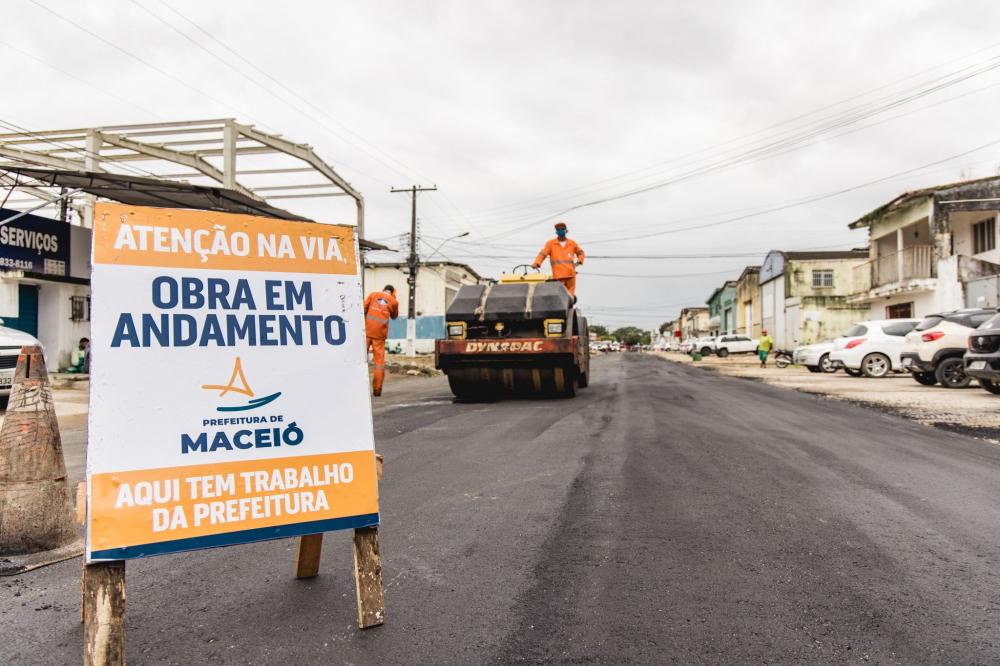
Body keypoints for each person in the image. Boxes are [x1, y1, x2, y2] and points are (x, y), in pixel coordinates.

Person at [363, 285, 399, 396]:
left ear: (383, 289)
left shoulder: (373, 295)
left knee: (359, 358)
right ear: (393, 292)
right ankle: (377, 390)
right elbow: (394, 316)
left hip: (366, 331)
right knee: (379, 364)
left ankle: (355, 387)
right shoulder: (393, 301)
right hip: (379, 335)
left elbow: (363, 309)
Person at [532, 221, 585, 297]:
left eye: (562, 229)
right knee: (560, 297)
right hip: (558, 276)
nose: (560, 231)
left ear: (566, 231)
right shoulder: (551, 244)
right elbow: (542, 254)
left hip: (570, 275)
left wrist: (579, 261)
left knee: (570, 297)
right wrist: (537, 263)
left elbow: (581, 252)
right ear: (556, 232)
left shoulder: (572, 243)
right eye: (558, 229)